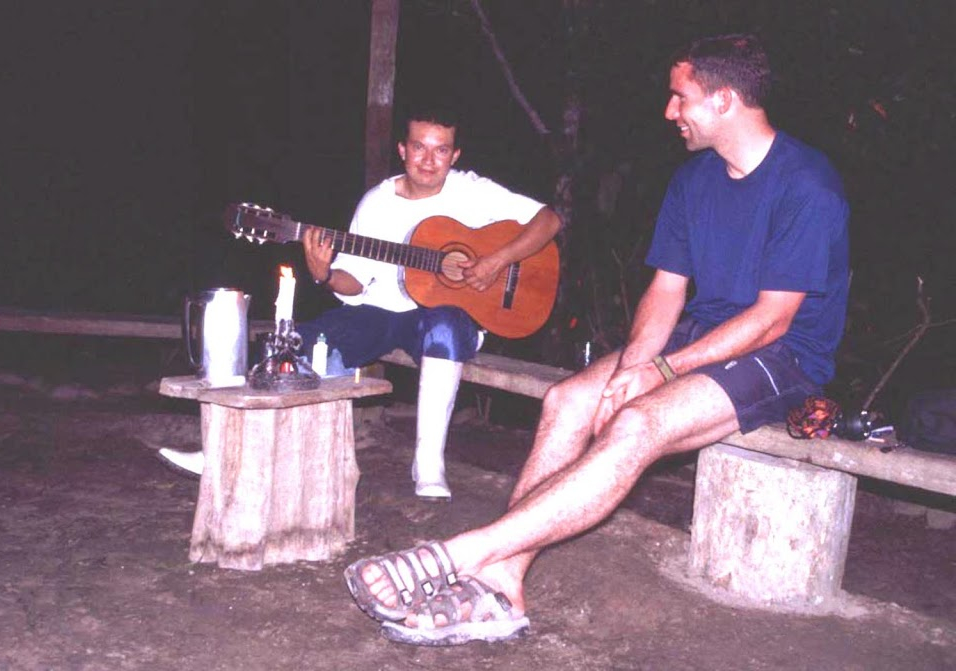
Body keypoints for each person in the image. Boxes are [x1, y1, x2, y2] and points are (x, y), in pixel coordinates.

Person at [342, 33, 850, 646]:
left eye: (679, 97)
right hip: (702, 333)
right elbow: (667, 291)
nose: (670, 112)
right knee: (567, 400)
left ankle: (460, 555)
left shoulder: (807, 185)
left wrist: (659, 377)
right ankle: (505, 585)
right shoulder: (694, 180)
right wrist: (633, 368)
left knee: (636, 424)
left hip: (784, 354)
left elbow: (773, 319)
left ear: (724, 100)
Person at [160, 106, 562, 502]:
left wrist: (495, 261)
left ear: (454, 156)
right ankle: (224, 453)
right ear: (402, 150)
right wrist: (324, 272)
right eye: (419, 147)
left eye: (441, 150)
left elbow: (549, 221)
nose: (429, 159)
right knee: (296, 346)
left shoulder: (474, 191)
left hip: (448, 318)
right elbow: (353, 282)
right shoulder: (377, 203)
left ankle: (428, 464)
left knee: (444, 324)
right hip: (379, 313)